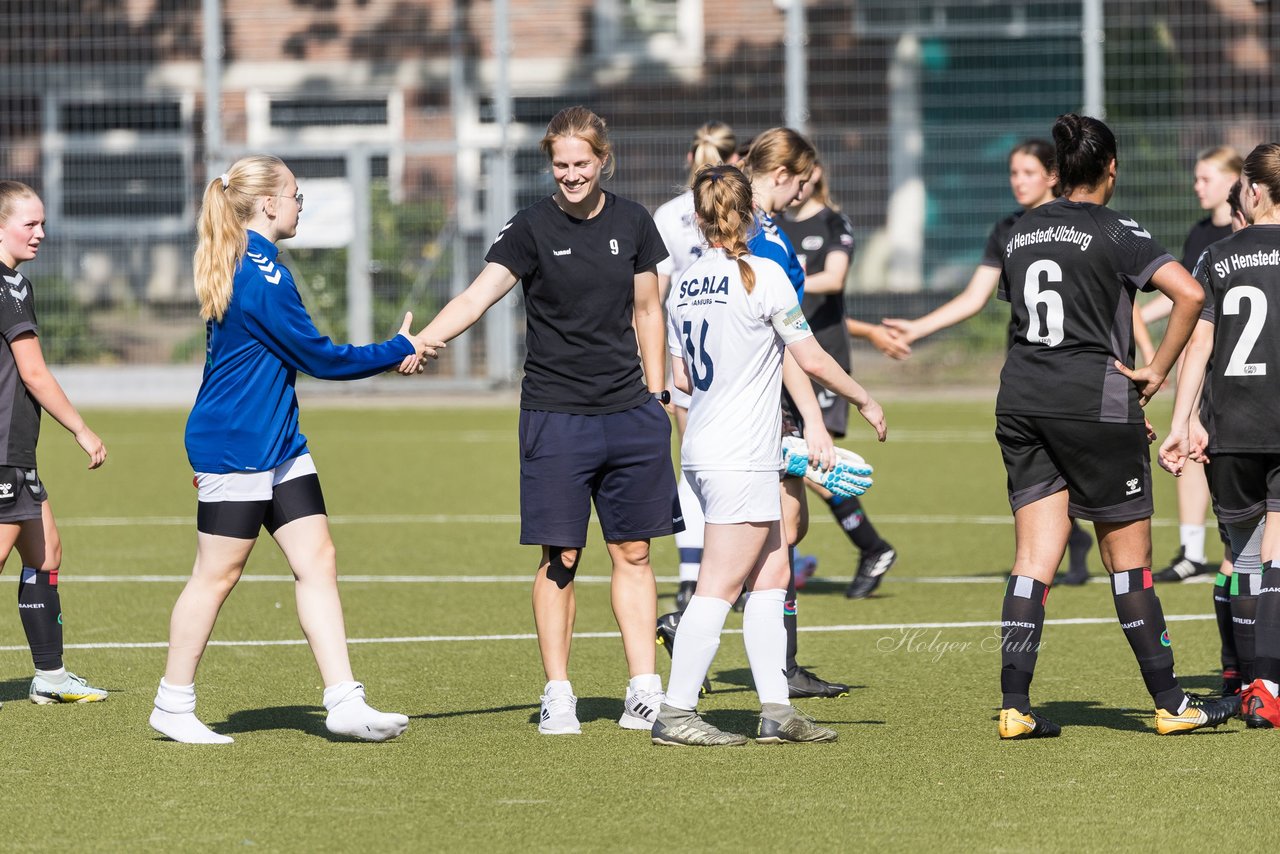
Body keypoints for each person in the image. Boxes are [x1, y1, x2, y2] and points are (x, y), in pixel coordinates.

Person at [409, 106, 680, 736]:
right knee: (560, 556)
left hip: (629, 414)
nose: (571, 176)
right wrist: (421, 341)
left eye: (582, 164)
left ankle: (644, 687)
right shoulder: (529, 227)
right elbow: (478, 295)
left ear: (603, 160)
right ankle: (559, 692)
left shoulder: (635, 222)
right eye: (560, 165)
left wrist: (659, 395)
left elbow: (648, 311)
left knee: (634, 552)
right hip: (556, 415)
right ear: (550, 165)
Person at [149, 155, 435, 744]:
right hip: (238, 445)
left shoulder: (254, 263)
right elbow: (321, 358)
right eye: (296, 195)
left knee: (318, 559)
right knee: (217, 575)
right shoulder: (261, 274)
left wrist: (393, 351)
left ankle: (343, 702)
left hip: (278, 441)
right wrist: (396, 348)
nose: (300, 205)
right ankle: (172, 704)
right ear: (270, 204)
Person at [993, 114, 1238, 739]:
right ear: (1110, 168)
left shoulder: (1020, 231)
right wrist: (1155, 370)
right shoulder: (1116, 228)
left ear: (1058, 170)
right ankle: (1172, 701)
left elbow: (1025, 316)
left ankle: (1015, 706)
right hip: (1093, 401)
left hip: (1021, 398)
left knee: (1031, 558)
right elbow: (1188, 293)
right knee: (1129, 563)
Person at [651, 164, 887, 746]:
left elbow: (683, 372)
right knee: (719, 584)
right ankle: (675, 713)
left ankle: (777, 710)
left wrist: (803, 420)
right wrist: (863, 398)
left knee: (774, 573)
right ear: (750, 213)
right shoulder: (763, 274)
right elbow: (810, 357)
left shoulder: (683, 284)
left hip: (707, 447)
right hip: (740, 453)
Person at [881, 140, 1094, 585]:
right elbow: (975, 297)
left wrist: (1146, 358)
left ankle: (1080, 542)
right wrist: (918, 329)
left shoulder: (1084, 224)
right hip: (1028, 367)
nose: (1018, 181)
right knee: (1037, 467)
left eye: (1028, 172)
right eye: (1014, 172)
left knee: (1081, 464)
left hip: (1079, 367)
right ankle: (1065, 547)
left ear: (1053, 175)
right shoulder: (1007, 229)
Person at [1158, 146, 1280, 727]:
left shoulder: (1218, 255)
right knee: (1275, 561)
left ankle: (1242, 675)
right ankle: (1267, 689)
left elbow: (1198, 346)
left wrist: (1183, 421)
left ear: (1251, 192)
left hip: (1231, 429)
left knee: (1244, 559)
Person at [0, 181, 109, 707]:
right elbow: (35, 373)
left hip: (16, 451)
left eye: (43, 223)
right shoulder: (4, 287)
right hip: (2, 453)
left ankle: (51, 676)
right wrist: (81, 429)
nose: (41, 233)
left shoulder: (15, 284)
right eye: (30, 224)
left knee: (45, 555)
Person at [779, 161, 900, 598]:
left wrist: (780, 282)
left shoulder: (832, 220)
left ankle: (871, 547)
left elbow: (834, 279)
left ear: (810, 172)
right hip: (785, 355)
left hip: (821, 354)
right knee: (793, 461)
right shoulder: (772, 223)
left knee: (813, 461)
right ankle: (778, 568)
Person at [1142, 146, 1243, 584]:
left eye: (1205, 178)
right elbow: (1187, 297)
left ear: (1233, 181)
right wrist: (1140, 318)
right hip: (1201, 360)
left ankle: (1234, 551)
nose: (1197, 186)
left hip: (1237, 367)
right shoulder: (1200, 234)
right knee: (1188, 446)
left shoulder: (1248, 234)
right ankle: (1191, 552)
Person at [653, 120, 739, 613]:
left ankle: (692, 574)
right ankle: (738, 571)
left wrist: (658, 363)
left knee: (694, 464)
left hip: (687, 357)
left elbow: (656, 295)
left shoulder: (667, 214)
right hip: (739, 353)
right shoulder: (742, 209)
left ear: (691, 159)